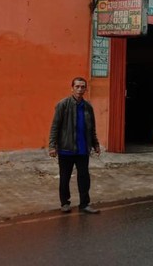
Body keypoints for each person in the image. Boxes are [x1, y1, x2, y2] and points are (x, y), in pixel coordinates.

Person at [49, 77, 101, 214]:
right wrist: (52, 146)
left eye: (82, 87)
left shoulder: (88, 107)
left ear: (85, 89)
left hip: (83, 149)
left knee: (84, 177)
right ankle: (65, 203)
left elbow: (92, 128)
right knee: (65, 177)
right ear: (72, 88)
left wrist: (95, 144)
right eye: (77, 86)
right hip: (66, 149)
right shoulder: (63, 105)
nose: (80, 89)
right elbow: (55, 126)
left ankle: (84, 204)